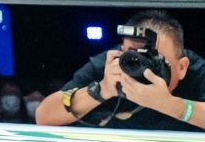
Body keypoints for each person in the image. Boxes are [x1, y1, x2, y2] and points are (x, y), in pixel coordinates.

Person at [36, 10, 204, 131]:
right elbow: (44, 117)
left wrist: (171, 105)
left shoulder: (197, 71)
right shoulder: (111, 65)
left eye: (155, 60)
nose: (145, 68)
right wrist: (101, 90)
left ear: (182, 67)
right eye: (135, 59)